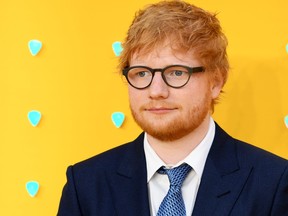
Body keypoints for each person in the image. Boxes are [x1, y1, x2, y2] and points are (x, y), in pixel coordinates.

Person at [57, 1, 288, 215]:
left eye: (177, 72)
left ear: (216, 82)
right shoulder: (85, 186)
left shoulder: (274, 183)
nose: (156, 90)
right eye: (142, 73)